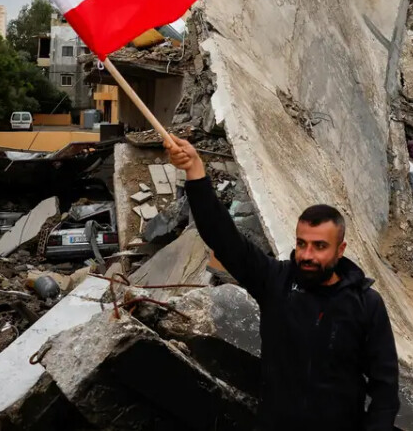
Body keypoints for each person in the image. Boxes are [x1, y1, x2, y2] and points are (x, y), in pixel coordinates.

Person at [165, 137, 400, 430]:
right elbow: (225, 240)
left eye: (319, 246)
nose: (307, 255)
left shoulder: (366, 304)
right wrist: (196, 173)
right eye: (301, 244)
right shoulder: (275, 281)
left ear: (340, 249)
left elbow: (385, 388)